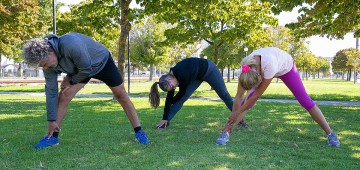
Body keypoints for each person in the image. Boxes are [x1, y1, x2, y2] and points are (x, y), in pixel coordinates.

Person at [22, 32, 150, 149]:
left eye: (44, 64)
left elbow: (86, 69)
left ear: (50, 53)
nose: (46, 68)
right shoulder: (48, 65)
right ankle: (52, 137)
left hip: (101, 63)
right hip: (81, 69)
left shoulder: (71, 45)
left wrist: (70, 80)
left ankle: (139, 131)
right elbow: (51, 92)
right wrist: (51, 120)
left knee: (121, 95)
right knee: (64, 96)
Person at [215, 47, 340, 147]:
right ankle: (226, 132)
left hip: (286, 68)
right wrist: (235, 113)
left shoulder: (270, 65)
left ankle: (330, 134)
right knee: (245, 104)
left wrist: (238, 112)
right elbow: (238, 97)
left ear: (259, 75)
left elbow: (256, 95)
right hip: (260, 69)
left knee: (305, 101)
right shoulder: (245, 69)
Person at [149, 57, 248, 129]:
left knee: (225, 95)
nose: (174, 87)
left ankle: (239, 119)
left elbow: (180, 94)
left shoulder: (182, 74)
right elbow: (169, 98)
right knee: (182, 99)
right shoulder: (172, 79)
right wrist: (164, 117)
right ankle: (166, 122)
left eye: (173, 86)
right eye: (172, 88)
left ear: (169, 78)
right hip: (197, 76)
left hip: (209, 69)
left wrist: (172, 100)